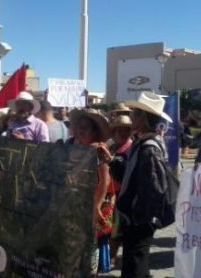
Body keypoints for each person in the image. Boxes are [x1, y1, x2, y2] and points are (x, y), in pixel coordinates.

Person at [116, 92, 176, 278]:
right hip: (137, 219)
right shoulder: (142, 143)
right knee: (136, 264)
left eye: (135, 113)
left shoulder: (148, 148)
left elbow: (154, 189)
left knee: (135, 267)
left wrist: (137, 218)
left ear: (143, 118)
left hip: (139, 221)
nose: (131, 117)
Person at [67, 108, 116, 274]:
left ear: (94, 132)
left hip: (89, 208)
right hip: (70, 206)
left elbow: (105, 180)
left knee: (88, 251)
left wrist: (97, 205)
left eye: (86, 127)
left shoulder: (98, 150)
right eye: (79, 126)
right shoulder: (69, 146)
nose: (81, 130)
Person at [107, 114, 133, 269]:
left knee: (116, 229)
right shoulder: (111, 146)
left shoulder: (131, 148)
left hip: (121, 195)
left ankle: (113, 257)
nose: (122, 133)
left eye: (126, 130)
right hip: (108, 193)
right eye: (119, 130)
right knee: (109, 227)